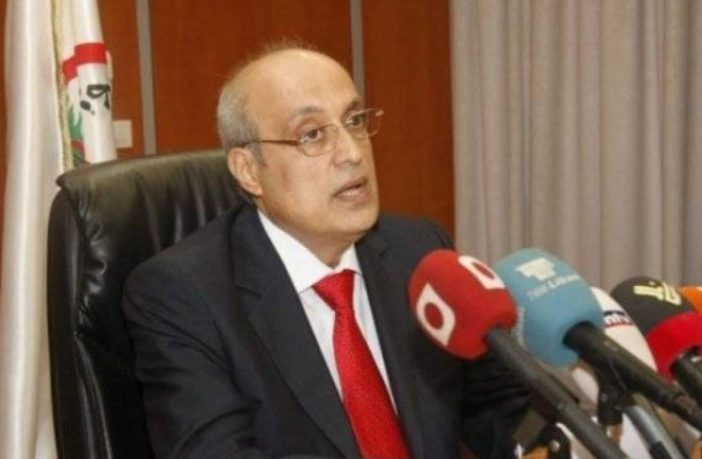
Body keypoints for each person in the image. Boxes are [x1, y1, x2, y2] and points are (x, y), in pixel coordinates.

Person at [123, 42, 529, 458]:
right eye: (312, 134)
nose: (353, 153)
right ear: (249, 171)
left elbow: (497, 406)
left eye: (354, 120)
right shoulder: (184, 295)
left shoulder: (419, 253)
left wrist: (550, 440)